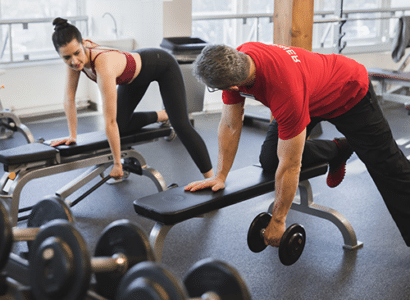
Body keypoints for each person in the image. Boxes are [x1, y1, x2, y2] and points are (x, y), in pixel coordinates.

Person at [184, 42, 410, 249]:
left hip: (349, 92)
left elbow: (291, 164)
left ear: (234, 86)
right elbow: (231, 125)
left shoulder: (284, 91)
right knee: (270, 159)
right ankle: (337, 149)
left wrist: (278, 220)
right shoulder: (237, 61)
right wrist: (220, 175)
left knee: (388, 166)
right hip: (308, 95)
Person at [51, 17, 214, 180]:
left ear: (84, 43)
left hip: (161, 64)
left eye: (77, 53)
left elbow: (109, 121)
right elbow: (69, 99)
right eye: (66, 57)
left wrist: (117, 164)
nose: (74, 61)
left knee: (181, 125)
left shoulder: (103, 65)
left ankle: (211, 178)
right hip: (132, 77)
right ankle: (163, 115)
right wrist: (72, 136)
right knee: (121, 124)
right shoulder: (74, 63)